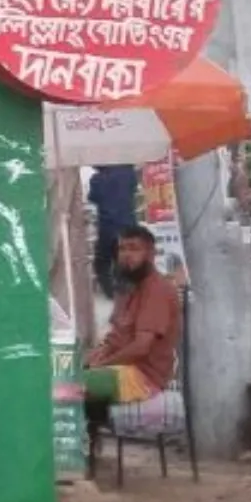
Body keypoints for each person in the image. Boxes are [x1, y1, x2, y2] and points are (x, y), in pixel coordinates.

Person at [72, 225, 184, 442]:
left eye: (134, 249)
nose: (126, 255)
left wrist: (101, 364)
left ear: (150, 254)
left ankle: (75, 455)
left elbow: (141, 347)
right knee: (62, 374)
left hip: (142, 377)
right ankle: (83, 451)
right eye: (122, 249)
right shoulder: (131, 287)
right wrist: (93, 356)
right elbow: (115, 338)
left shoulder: (157, 289)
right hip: (123, 369)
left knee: (67, 387)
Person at [88, 163, 138, 299]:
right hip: (129, 226)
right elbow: (133, 189)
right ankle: (126, 293)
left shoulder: (96, 179)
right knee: (124, 262)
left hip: (108, 228)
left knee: (101, 263)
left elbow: (92, 197)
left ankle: (111, 294)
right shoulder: (129, 172)